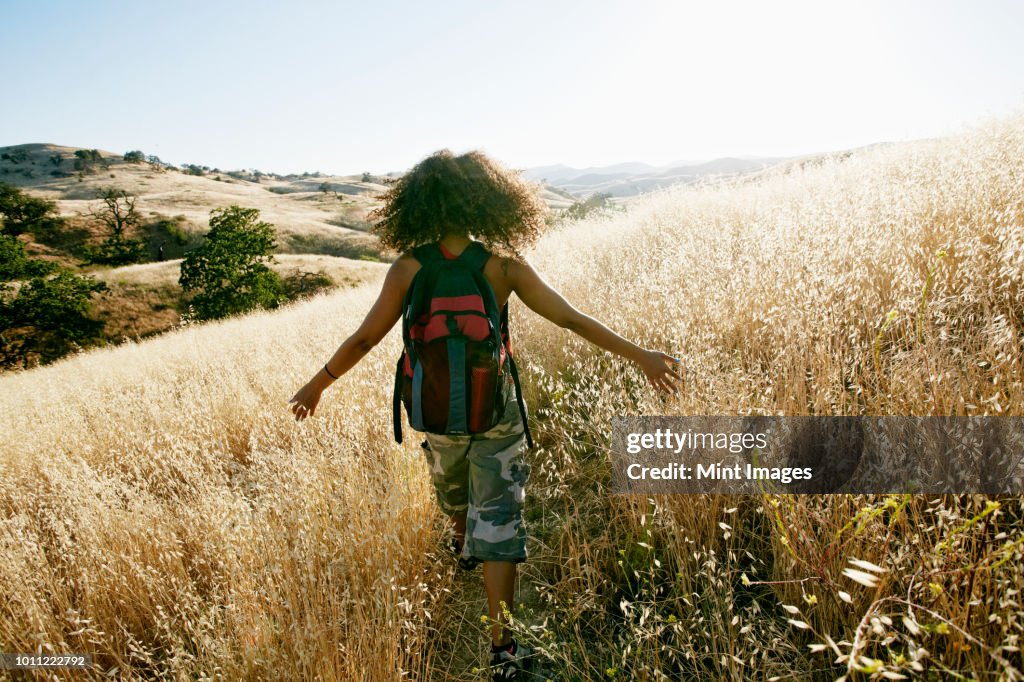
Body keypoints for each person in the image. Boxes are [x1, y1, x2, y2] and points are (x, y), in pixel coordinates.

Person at [288, 150, 680, 678]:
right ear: (490, 199)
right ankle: (503, 651)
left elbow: (363, 340)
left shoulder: (408, 268)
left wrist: (316, 386)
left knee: (453, 494)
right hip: (496, 410)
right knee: (499, 520)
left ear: (418, 204)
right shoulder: (504, 264)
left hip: (434, 414)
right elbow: (569, 319)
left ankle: (459, 538)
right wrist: (643, 357)